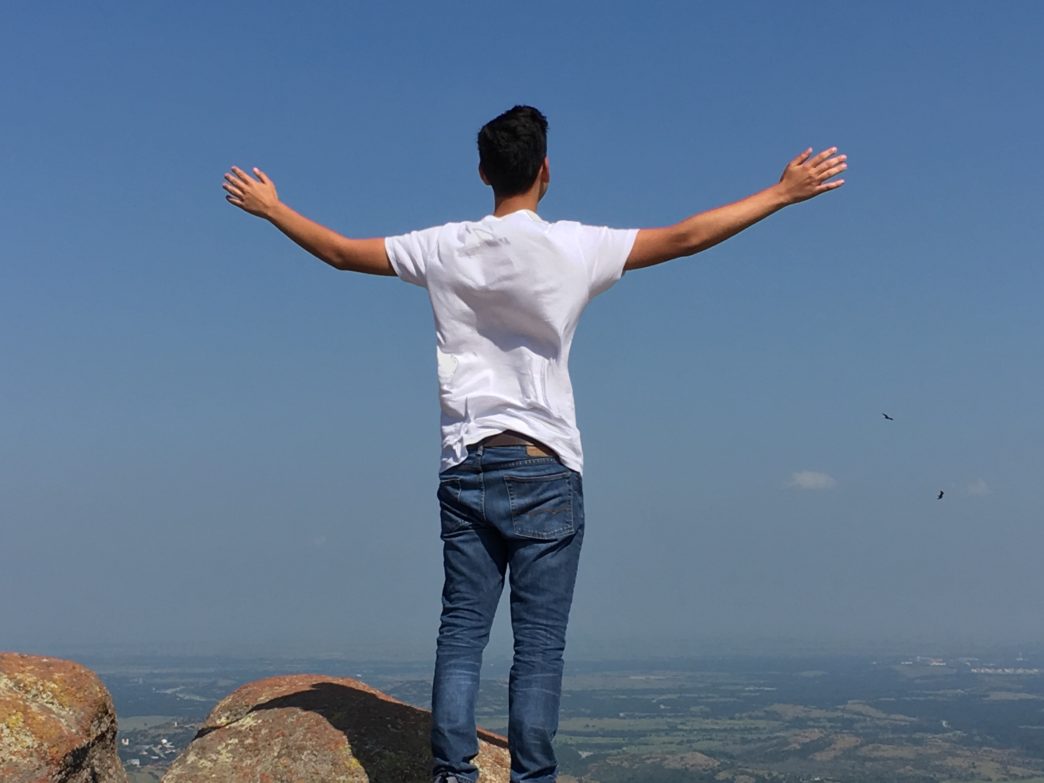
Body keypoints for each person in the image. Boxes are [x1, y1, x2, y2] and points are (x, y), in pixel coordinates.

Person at [222, 105, 846, 783]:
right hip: (546, 463)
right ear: (546, 170)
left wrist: (272, 209)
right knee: (540, 646)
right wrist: (781, 193)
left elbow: (342, 253)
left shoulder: (444, 246)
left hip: (467, 461)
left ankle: (453, 774)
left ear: (483, 172)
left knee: (463, 632)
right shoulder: (577, 247)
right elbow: (688, 236)